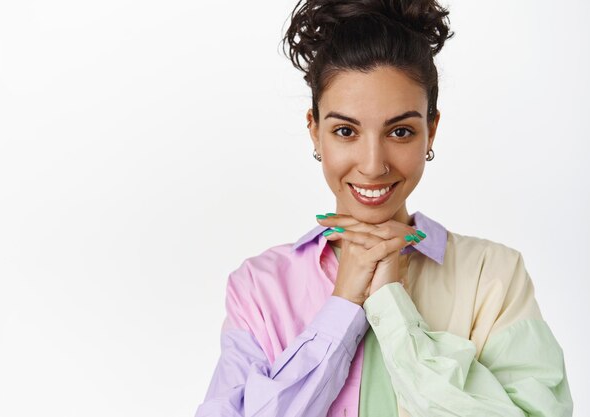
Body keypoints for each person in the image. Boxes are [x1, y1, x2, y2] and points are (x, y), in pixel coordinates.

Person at [194, 0, 573, 416]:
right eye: (344, 130)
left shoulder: (493, 276)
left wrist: (391, 305)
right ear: (315, 132)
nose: (374, 165)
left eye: (400, 131)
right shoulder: (259, 287)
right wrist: (342, 307)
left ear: (431, 131)